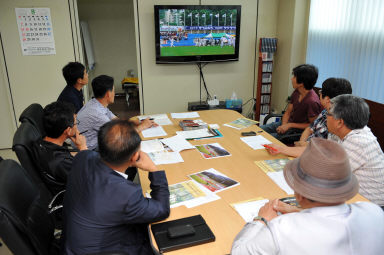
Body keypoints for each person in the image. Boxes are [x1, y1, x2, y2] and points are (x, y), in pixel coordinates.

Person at [232, 138, 384, 255]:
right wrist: (297, 212)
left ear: (298, 193)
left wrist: (261, 220)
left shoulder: (282, 229)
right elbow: (331, 221)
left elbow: (239, 252)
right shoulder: (374, 212)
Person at [62, 119, 170, 255]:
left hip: (73, 245)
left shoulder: (82, 157)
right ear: (135, 156)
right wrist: (153, 169)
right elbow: (162, 210)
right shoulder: (126, 194)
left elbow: (87, 153)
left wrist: (83, 148)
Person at [266, 95, 384, 207]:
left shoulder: (358, 142)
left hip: (368, 204)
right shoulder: (343, 131)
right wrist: (282, 149)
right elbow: (316, 152)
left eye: (328, 113)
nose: (325, 116)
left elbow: (327, 177)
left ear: (339, 122)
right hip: (348, 197)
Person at [77, 75, 155, 150]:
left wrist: (136, 122)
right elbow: (120, 136)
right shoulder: (98, 115)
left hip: (89, 142)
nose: (114, 93)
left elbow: (116, 120)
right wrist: (142, 126)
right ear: (108, 94)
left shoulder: (94, 102)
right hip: (90, 149)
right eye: (113, 91)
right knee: (129, 144)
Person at [31, 101, 87, 195]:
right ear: (68, 131)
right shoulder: (61, 162)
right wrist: (83, 148)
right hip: (75, 196)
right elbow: (87, 177)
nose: (77, 125)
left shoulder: (40, 142)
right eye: (76, 123)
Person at [260, 64, 322, 140]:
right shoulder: (297, 91)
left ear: (301, 83)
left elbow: (312, 125)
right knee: (257, 131)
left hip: (297, 132)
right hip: (286, 124)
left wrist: (290, 125)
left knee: (264, 138)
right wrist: (284, 125)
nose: (292, 79)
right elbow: (288, 112)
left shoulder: (312, 101)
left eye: (294, 77)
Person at [295, 77, 352, 146]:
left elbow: (323, 150)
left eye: (321, 92)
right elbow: (309, 128)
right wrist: (301, 142)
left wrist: (302, 145)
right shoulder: (325, 111)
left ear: (327, 99)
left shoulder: (339, 123)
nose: (320, 94)